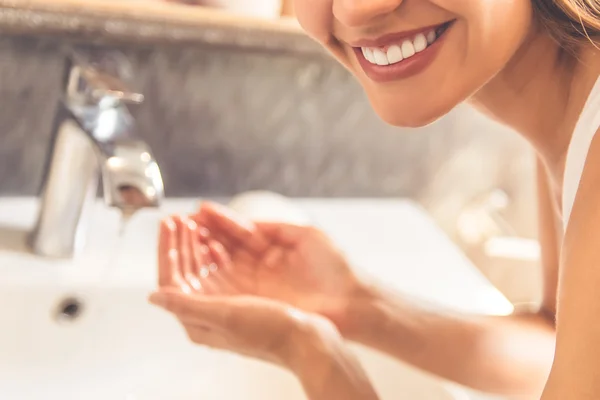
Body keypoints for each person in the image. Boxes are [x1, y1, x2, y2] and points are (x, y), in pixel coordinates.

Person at [148, 1, 600, 399]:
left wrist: (313, 356)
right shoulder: (568, 105)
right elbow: (554, 345)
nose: (356, 9)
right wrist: (356, 306)